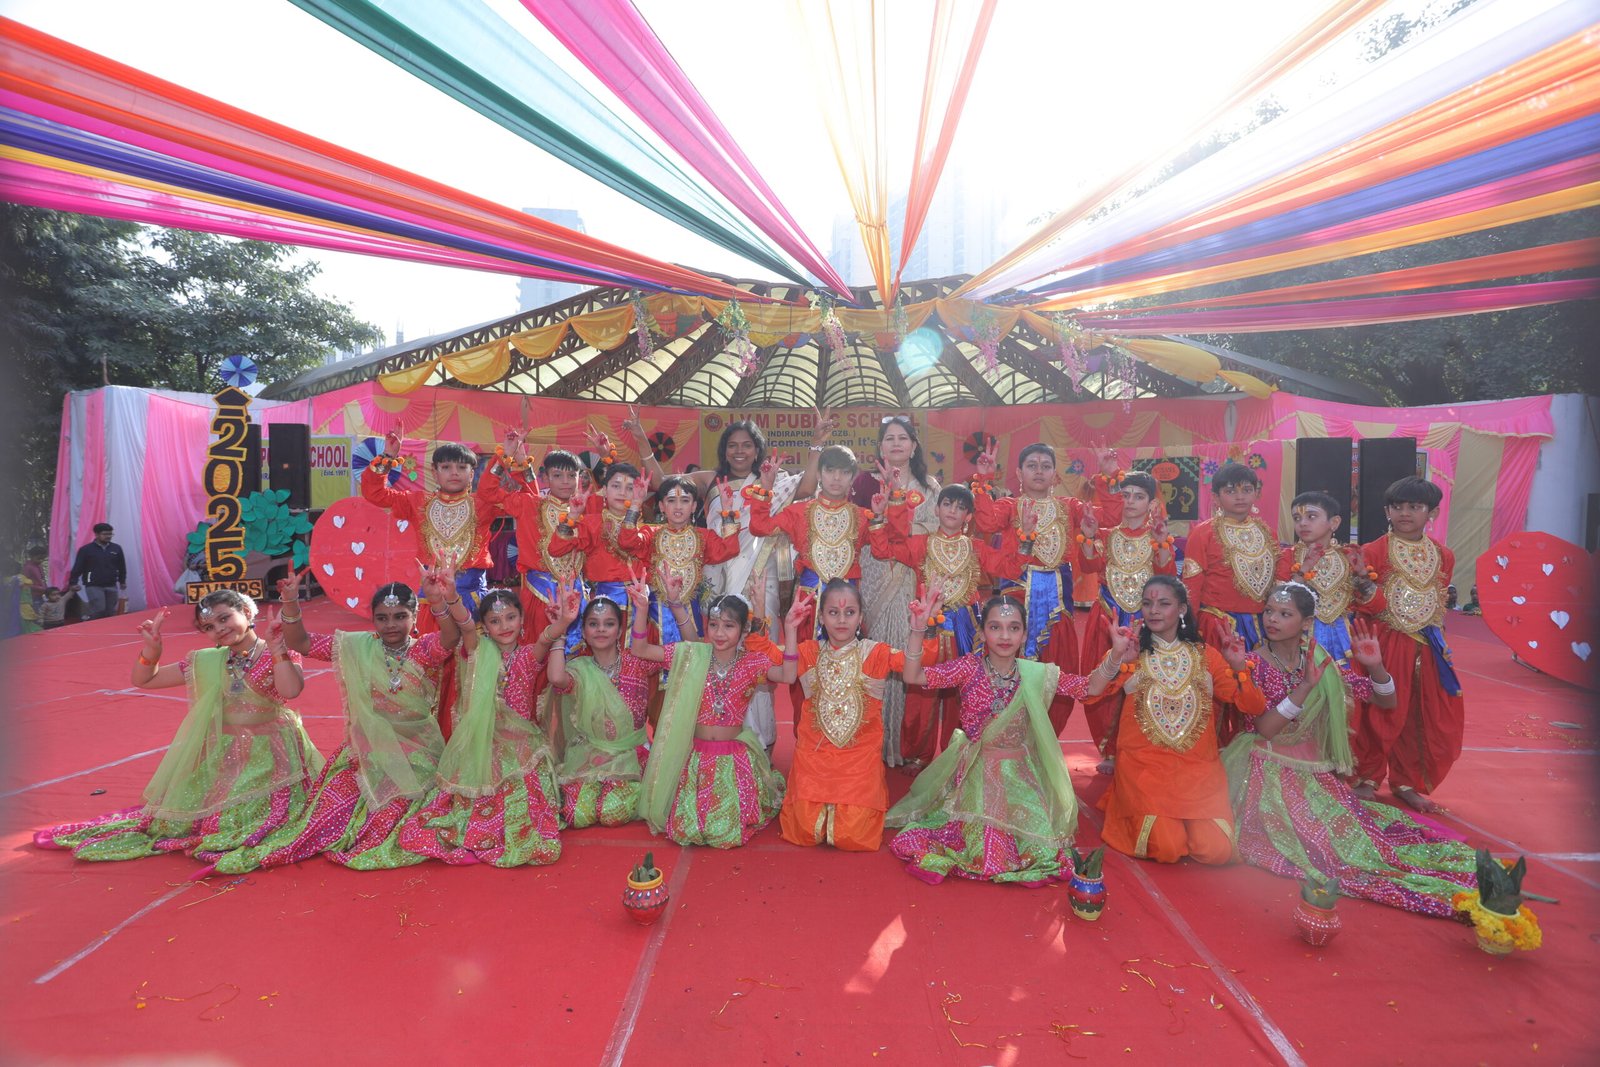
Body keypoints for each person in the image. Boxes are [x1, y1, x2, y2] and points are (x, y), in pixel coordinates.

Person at [1222, 582, 1478, 916]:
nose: (1272, 619)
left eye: (1285, 614)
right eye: (1269, 611)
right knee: (1315, 849)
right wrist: (1304, 688)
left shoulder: (1319, 661)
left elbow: (1386, 700)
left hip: (1312, 775)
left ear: (1307, 622)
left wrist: (1375, 666)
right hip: (1264, 773)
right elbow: (1266, 729)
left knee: (1354, 844)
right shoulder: (1253, 663)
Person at [207, 571, 468, 873]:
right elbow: (302, 642)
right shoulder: (355, 646)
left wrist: (437, 600)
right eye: (382, 618)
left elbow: (452, 637)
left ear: (415, 616)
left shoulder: (423, 650)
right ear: (372, 619)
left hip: (416, 755)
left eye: (400, 616)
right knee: (323, 818)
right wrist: (290, 603)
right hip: (364, 753)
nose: (391, 625)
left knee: (392, 819)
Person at [34, 591, 322, 862]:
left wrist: (278, 648)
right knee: (194, 822)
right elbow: (145, 679)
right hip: (224, 753)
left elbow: (291, 690)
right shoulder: (207, 660)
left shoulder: (278, 650)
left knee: (247, 821)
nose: (219, 629)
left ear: (247, 612)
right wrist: (152, 650)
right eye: (209, 627)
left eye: (224, 618)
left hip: (270, 753)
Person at [888, 594, 1090, 885]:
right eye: (995, 627)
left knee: (1043, 851)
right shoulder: (969, 668)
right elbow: (913, 676)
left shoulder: (1035, 674)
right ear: (982, 633)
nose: (1005, 636)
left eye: (1013, 628)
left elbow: (1088, 688)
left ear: (1024, 634)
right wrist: (919, 628)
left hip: (1021, 775)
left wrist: (1117, 656)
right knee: (988, 854)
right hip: (977, 772)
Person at [630, 415, 800, 752]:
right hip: (719, 579)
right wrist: (640, 437)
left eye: (747, 445)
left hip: (760, 579)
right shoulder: (710, 480)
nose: (739, 451)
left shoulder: (774, 480)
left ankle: (760, 744)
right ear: (724, 449)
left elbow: (807, 488)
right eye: (732, 445)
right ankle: (718, 734)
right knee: (718, 658)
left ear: (757, 450)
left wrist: (818, 443)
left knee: (757, 655)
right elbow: (663, 482)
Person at [798, 416, 941, 767]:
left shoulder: (930, 486)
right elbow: (851, 524)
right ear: (880, 447)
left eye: (903, 438)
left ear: (914, 445)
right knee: (871, 655)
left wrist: (904, 532)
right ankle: (868, 740)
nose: (896, 444)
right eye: (889, 438)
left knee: (904, 651)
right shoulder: (863, 482)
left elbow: (938, 529)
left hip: (909, 573)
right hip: (873, 572)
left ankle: (901, 744)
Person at [1093, 576, 1264, 865]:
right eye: (1147, 604)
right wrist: (1117, 658)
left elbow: (1253, 706)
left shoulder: (1207, 656)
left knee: (1216, 851)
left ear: (1182, 609)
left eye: (1164, 604)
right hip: (1145, 768)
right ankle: (1124, 798)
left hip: (1198, 771)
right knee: (1167, 847)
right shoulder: (1132, 653)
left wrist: (1239, 669)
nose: (1153, 611)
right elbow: (1092, 693)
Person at [397, 589, 564, 866]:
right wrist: (451, 595)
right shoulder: (476, 651)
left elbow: (547, 637)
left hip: (521, 749)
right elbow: (464, 624)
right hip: (482, 747)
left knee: (523, 808)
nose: (504, 625)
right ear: (484, 627)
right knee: (469, 808)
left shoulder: (529, 656)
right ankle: (478, 833)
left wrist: (564, 620)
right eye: (495, 621)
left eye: (510, 617)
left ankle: (496, 831)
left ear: (522, 620)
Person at [868, 480, 1029, 763]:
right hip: (929, 627)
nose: (953, 510)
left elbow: (1010, 567)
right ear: (937, 509)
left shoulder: (976, 548)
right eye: (947, 504)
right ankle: (918, 755)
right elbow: (884, 550)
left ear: (968, 516)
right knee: (921, 690)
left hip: (966, 629)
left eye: (960, 507)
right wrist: (879, 517)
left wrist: (1026, 537)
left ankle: (958, 753)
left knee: (965, 691)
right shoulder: (922, 544)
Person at [634, 590, 804, 848]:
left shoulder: (751, 663)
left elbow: (788, 675)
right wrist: (642, 610)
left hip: (732, 763)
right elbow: (641, 649)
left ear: (744, 630)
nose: (719, 633)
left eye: (728, 626)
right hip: (696, 762)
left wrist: (790, 630)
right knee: (687, 831)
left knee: (723, 833)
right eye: (713, 625)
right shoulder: (694, 656)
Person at [972, 442, 1114, 734]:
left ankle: (1046, 738)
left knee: (1057, 669)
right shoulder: (1010, 506)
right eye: (1032, 466)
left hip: (1058, 602)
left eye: (1046, 466)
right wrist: (984, 477)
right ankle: (1007, 735)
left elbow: (1110, 517)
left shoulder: (1069, 507)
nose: (1039, 471)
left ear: (1054, 474)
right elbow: (985, 521)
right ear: (1018, 473)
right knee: (1008, 664)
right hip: (1016, 600)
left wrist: (1108, 475)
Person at [1351, 476, 1465, 814]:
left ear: (1432, 512)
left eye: (1414, 507)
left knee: (1421, 713)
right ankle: (1367, 777)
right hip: (1383, 643)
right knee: (1379, 711)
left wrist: (1442, 641)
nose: (1405, 513)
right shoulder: (1372, 551)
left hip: (1427, 646)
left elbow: (1437, 601)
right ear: (1387, 511)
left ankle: (1406, 782)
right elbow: (1359, 601)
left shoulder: (1444, 556)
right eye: (1397, 507)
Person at [778, 580, 907, 852]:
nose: (841, 620)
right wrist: (789, 629)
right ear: (821, 617)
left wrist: (921, 628)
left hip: (859, 760)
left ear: (860, 617)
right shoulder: (808, 652)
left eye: (849, 612)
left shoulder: (876, 653)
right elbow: (773, 660)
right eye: (833, 613)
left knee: (854, 836)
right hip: (814, 759)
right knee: (803, 830)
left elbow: (915, 667)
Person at [545, 582, 665, 828]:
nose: (601, 629)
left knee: (612, 814)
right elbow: (556, 678)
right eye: (593, 624)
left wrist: (642, 609)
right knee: (577, 815)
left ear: (620, 630)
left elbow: (683, 654)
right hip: (591, 755)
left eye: (609, 624)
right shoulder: (580, 669)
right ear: (584, 631)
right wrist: (560, 628)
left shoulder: (637, 661)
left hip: (630, 756)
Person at [1079, 470, 1175, 771]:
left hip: (1147, 622)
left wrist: (1161, 543)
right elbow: (1088, 565)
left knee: (1146, 683)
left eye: (1139, 496)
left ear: (1151, 502)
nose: (1131, 501)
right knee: (1106, 683)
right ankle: (1111, 750)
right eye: (1126, 495)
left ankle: (1144, 747)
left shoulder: (1157, 535)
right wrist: (1089, 536)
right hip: (1108, 619)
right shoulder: (1107, 535)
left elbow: (1167, 576)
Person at [363, 430, 514, 621]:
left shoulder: (484, 503)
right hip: (432, 597)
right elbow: (375, 493)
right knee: (432, 640)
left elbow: (524, 503)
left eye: (462, 467)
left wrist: (507, 457)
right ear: (435, 472)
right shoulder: (417, 502)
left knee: (473, 641)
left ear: (471, 474)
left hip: (472, 597)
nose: (454, 472)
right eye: (446, 467)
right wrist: (387, 456)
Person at [1181, 461, 1274, 742]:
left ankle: (1250, 751)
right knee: (1217, 693)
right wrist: (1187, 629)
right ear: (1216, 497)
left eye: (1247, 489)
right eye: (1231, 490)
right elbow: (1191, 586)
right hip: (1217, 624)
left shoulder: (1267, 533)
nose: (1240, 496)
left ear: (1257, 493)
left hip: (1259, 627)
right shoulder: (1203, 533)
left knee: (1256, 691)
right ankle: (1214, 750)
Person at [617, 474, 743, 647]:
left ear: (694, 506)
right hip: (657, 612)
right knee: (658, 657)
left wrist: (727, 512)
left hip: (690, 610)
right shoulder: (651, 534)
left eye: (685, 500)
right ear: (662, 506)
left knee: (692, 655)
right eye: (671, 501)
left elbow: (730, 549)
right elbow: (626, 542)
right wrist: (636, 504)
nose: (678, 507)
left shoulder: (703, 536)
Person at [496, 442, 589, 649]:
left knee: (576, 653)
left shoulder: (585, 509)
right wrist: (509, 458)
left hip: (575, 591)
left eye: (571, 476)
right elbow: (490, 492)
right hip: (540, 592)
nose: (565, 482)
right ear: (545, 478)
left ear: (579, 478)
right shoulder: (532, 504)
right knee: (539, 649)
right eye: (557, 475)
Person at [1275, 491, 1384, 664]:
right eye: (1297, 518)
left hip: (1344, 640)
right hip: (1299, 637)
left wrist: (1363, 576)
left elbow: (1377, 607)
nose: (1302, 523)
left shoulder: (1350, 557)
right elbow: (1278, 601)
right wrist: (1303, 570)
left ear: (1334, 523)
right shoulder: (1288, 556)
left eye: (1311, 516)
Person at [549, 461, 646, 637]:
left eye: (630, 488)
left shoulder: (645, 530)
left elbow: (629, 542)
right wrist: (573, 516)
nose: (622, 492)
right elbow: (556, 550)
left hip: (641, 604)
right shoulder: (591, 524)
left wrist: (634, 508)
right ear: (605, 490)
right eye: (616, 486)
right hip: (603, 603)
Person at [69, 523, 127, 620]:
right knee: (98, 610)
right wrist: (73, 582)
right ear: (96, 534)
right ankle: (95, 627)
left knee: (111, 611)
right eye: (105, 534)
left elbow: (121, 566)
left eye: (110, 534)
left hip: (111, 584)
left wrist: (122, 581)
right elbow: (78, 567)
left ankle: (111, 628)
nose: (108, 536)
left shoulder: (116, 548)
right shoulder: (86, 550)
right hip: (93, 585)